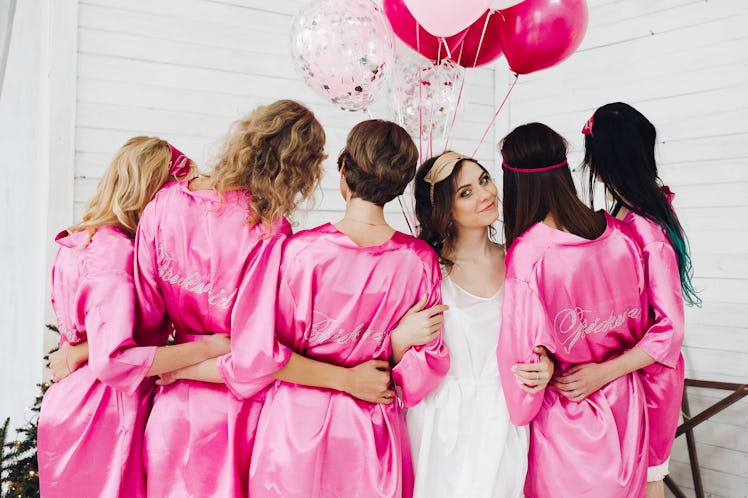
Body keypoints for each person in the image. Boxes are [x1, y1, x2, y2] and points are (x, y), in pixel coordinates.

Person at [133, 101, 393, 498]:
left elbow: (146, 325)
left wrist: (173, 368)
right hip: (239, 412)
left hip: (171, 406)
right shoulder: (270, 230)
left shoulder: (163, 205)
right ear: (300, 170)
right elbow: (257, 355)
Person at [239, 119, 450, 498]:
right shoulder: (418, 261)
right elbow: (424, 372)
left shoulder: (297, 252)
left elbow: (260, 355)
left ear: (343, 172)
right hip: (368, 439)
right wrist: (392, 346)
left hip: (293, 432)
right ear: (398, 185)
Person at [38, 136, 231, 497]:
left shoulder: (79, 241)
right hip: (104, 413)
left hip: (71, 404)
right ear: (151, 195)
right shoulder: (115, 254)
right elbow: (114, 359)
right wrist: (210, 348)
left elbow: (91, 337)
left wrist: (79, 352)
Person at [496, 122, 661, 498]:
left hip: (569, 419)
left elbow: (521, 370)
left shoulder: (528, 255)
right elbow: (649, 326)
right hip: (628, 411)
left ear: (514, 183)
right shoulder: (619, 235)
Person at [403, 151, 554, 498]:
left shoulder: (519, 259)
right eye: (465, 192)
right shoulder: (426, 269)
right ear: (444, 208)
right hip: (441, 421)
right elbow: (391, 352)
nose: (485, 194)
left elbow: (543, 335)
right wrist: (400, 337)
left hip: (503, 416)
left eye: (484, 180)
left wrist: (546, 364)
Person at [579, 102, 697, 498]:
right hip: (628, 371)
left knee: (647, 480)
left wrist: (602, 372)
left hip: (647, 376)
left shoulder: (646, 229)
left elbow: (670, 328)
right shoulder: (624, 214)